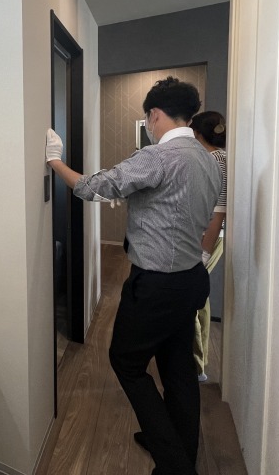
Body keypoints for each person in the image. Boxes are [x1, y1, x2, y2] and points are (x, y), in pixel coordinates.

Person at [45, 77, 221, 475]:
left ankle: (174, 463)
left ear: (154, 115)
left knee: (125, 361)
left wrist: (54, 161)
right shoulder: (207, 159)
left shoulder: (156, 156)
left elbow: (92, 186)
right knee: (178, 367)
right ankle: (180, 448)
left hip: (157, 283)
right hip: (191, 277)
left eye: (149, 119)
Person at [189, 112, 227, 383]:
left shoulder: (214, 161)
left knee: (189, 300)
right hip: (207, 237)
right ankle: (198, 364)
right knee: (199, 298)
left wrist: (203, 253)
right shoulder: (220, 157)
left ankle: (195, 366)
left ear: (197, 134)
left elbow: (218, 214)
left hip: (209, 238)